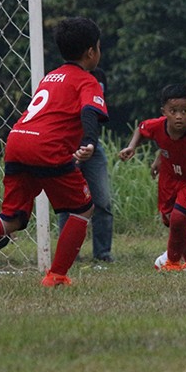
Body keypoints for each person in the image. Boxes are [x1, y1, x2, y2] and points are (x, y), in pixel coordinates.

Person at [0, 17, 108, 288]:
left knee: (11, 218)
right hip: (46, 148)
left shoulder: (52, 76)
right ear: (91, 52)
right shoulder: (88, 81)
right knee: (82, 209)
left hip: (17, 140)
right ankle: (57, 275)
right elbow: (89, 111)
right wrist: (90, 141)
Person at [120, 84, 186, 271]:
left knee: (178, 218)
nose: (178, 116)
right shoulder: (157, 126)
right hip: (168, 178)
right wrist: (132, 147)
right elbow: (141, 130)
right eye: (173, 111)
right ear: (164, 111)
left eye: (184, 111)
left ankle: (172, 263)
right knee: (172, 221)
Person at [57, 66, 114, 264]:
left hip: (93, 146)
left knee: (103, 200)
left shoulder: (99, 76)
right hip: (68, 144)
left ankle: (103, 253)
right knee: (67, 204)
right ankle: (68, 254)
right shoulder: (65, 77)